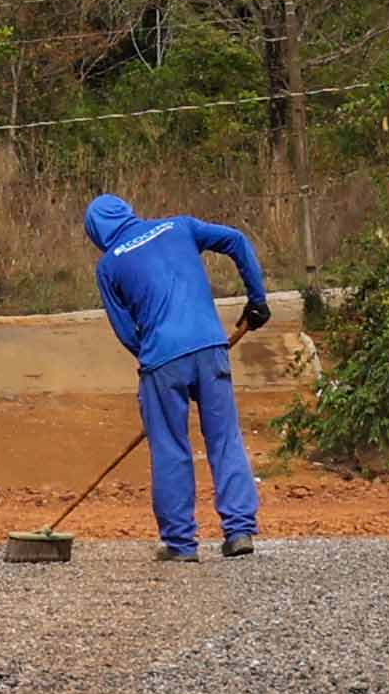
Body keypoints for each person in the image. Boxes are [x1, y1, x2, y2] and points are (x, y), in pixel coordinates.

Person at [80, 190, 279, 559]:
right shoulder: (180, 226)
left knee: (171, 448)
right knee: (224, 439)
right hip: (210, 347)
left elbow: (125, 330)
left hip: (162, 361)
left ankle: (181, 544)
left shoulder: (109, 265)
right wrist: (257, 300)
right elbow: (236, 239)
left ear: (96, 231)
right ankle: (239, 532)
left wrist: (153, 363)